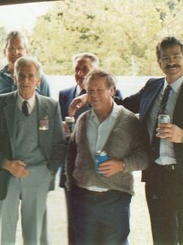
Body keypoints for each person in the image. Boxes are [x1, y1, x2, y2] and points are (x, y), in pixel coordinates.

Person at [70, 36, 183, 244]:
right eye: (165, 58)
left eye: (176, 57)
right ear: (158, 61)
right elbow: (122, 103)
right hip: (157, 180)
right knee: (162, 240)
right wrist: (90, 96)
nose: (171, 62)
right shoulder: (152, 87)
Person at [0, 56, 67, 245]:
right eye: (21, 76)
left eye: (30, 76)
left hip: (38, 176)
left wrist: (49, 172)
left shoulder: (50, 106)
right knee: (5, 234)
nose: (26, 80)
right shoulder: (0, 103)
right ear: (15, 78)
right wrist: (7, 164)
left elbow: (60, 144)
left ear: (38, 80)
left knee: (35, 233)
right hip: (6, 175)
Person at [66, 69, 149, 244]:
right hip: (83, 198)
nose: (94, 95)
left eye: (99, 90)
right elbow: (71, 154)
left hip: (115, 198)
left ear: (112, 90)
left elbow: (144, 156)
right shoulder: (83, 120)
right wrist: (71, 186)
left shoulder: (129, 121)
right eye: (90, 91)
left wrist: (122, 165)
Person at [57, 52, 123, 243]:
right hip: (72, 171)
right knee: (75, 230)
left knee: (104, 234)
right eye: (76, 69)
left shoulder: (113, 94)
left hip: (103, 174)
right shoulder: (64, 95)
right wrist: (63, 129)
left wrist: (88, 96)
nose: (79, 73)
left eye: (84, 69)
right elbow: (61, 133)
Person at [0, 30, 51, 122]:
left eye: (20, 48)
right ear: (4, 51)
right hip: (1, 133)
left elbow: (48, 110)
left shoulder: (39, 78)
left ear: (27, 51)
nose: (15, 52)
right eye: (11, 48)